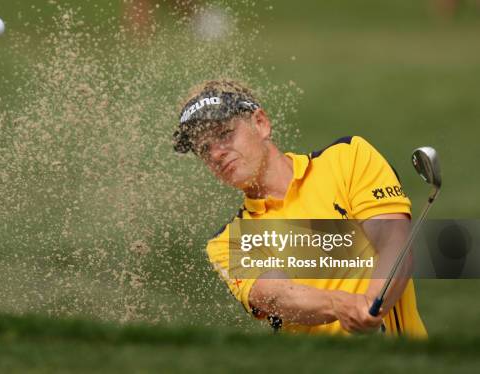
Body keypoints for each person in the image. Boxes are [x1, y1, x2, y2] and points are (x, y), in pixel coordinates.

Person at [173, 79, 427, 337]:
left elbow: (394, 240)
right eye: (204, 149)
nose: (216, 153)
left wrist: (373, 304)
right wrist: (340, 305)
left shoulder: (348, 158)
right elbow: (274, 295)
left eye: (225, 134)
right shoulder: (227, 242)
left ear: (260, 123)